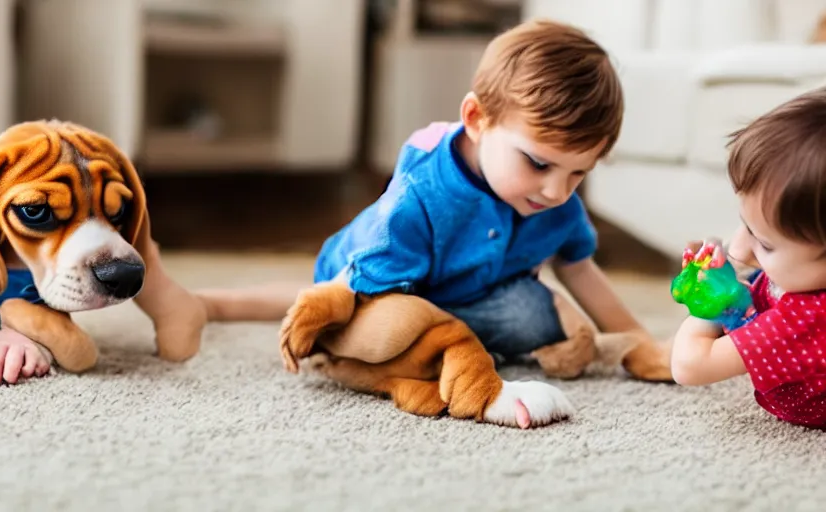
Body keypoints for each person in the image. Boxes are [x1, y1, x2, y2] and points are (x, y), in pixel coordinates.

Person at [199, 19, 669, 380]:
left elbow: (580, 269)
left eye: (579, 173)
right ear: (477, 119)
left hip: (466, 294)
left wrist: (639, 345)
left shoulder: (558, 201)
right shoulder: (423, 191)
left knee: (531, 316)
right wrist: (341, 313)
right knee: (379, 325)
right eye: (539, 164)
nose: (557, 191)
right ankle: (224, 305)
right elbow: (358, 285)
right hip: (374, 283)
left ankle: (436, 339)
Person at [671, 86, 826, 430]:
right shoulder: (801, 275)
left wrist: (709, 310)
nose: (737, 249)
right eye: (745, 225)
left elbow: (690, 366)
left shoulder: (807, 321)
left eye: (765, 244)